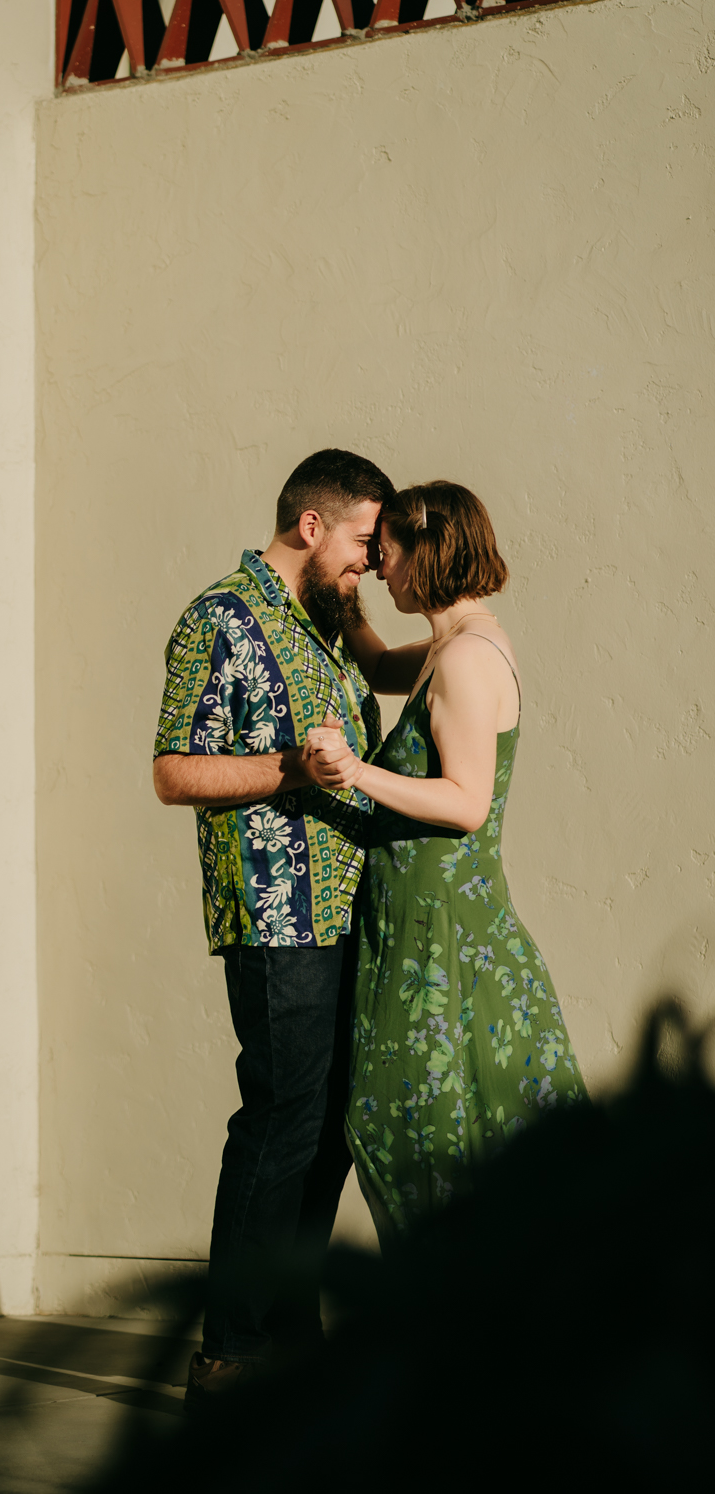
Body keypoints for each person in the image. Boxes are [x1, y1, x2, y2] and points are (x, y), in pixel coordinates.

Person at [153, 449, 428, 1406]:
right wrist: (292, 772)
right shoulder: (215, 619)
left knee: (329, 1131)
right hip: (274, 908)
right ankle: (227, 1353)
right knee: (278, 1123)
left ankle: (293, 1331)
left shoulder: (327, 617)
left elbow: (392, 669)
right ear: (311, 527)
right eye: (363, 543)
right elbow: (174, 772)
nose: (370, 564)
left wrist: (464, 633)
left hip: (350, 900)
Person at [305, 480, 587, 1235]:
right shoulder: (448, 648)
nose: (378, 568)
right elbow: (372, 667)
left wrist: (355, 771)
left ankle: (461, 1326)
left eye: (386, 555)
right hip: (425, 918)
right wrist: (339, 589)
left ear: (424, 554)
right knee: (423, 1121)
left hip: (445, 932)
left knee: (425, 1125)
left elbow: (465, 803)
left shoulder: (464, 660)